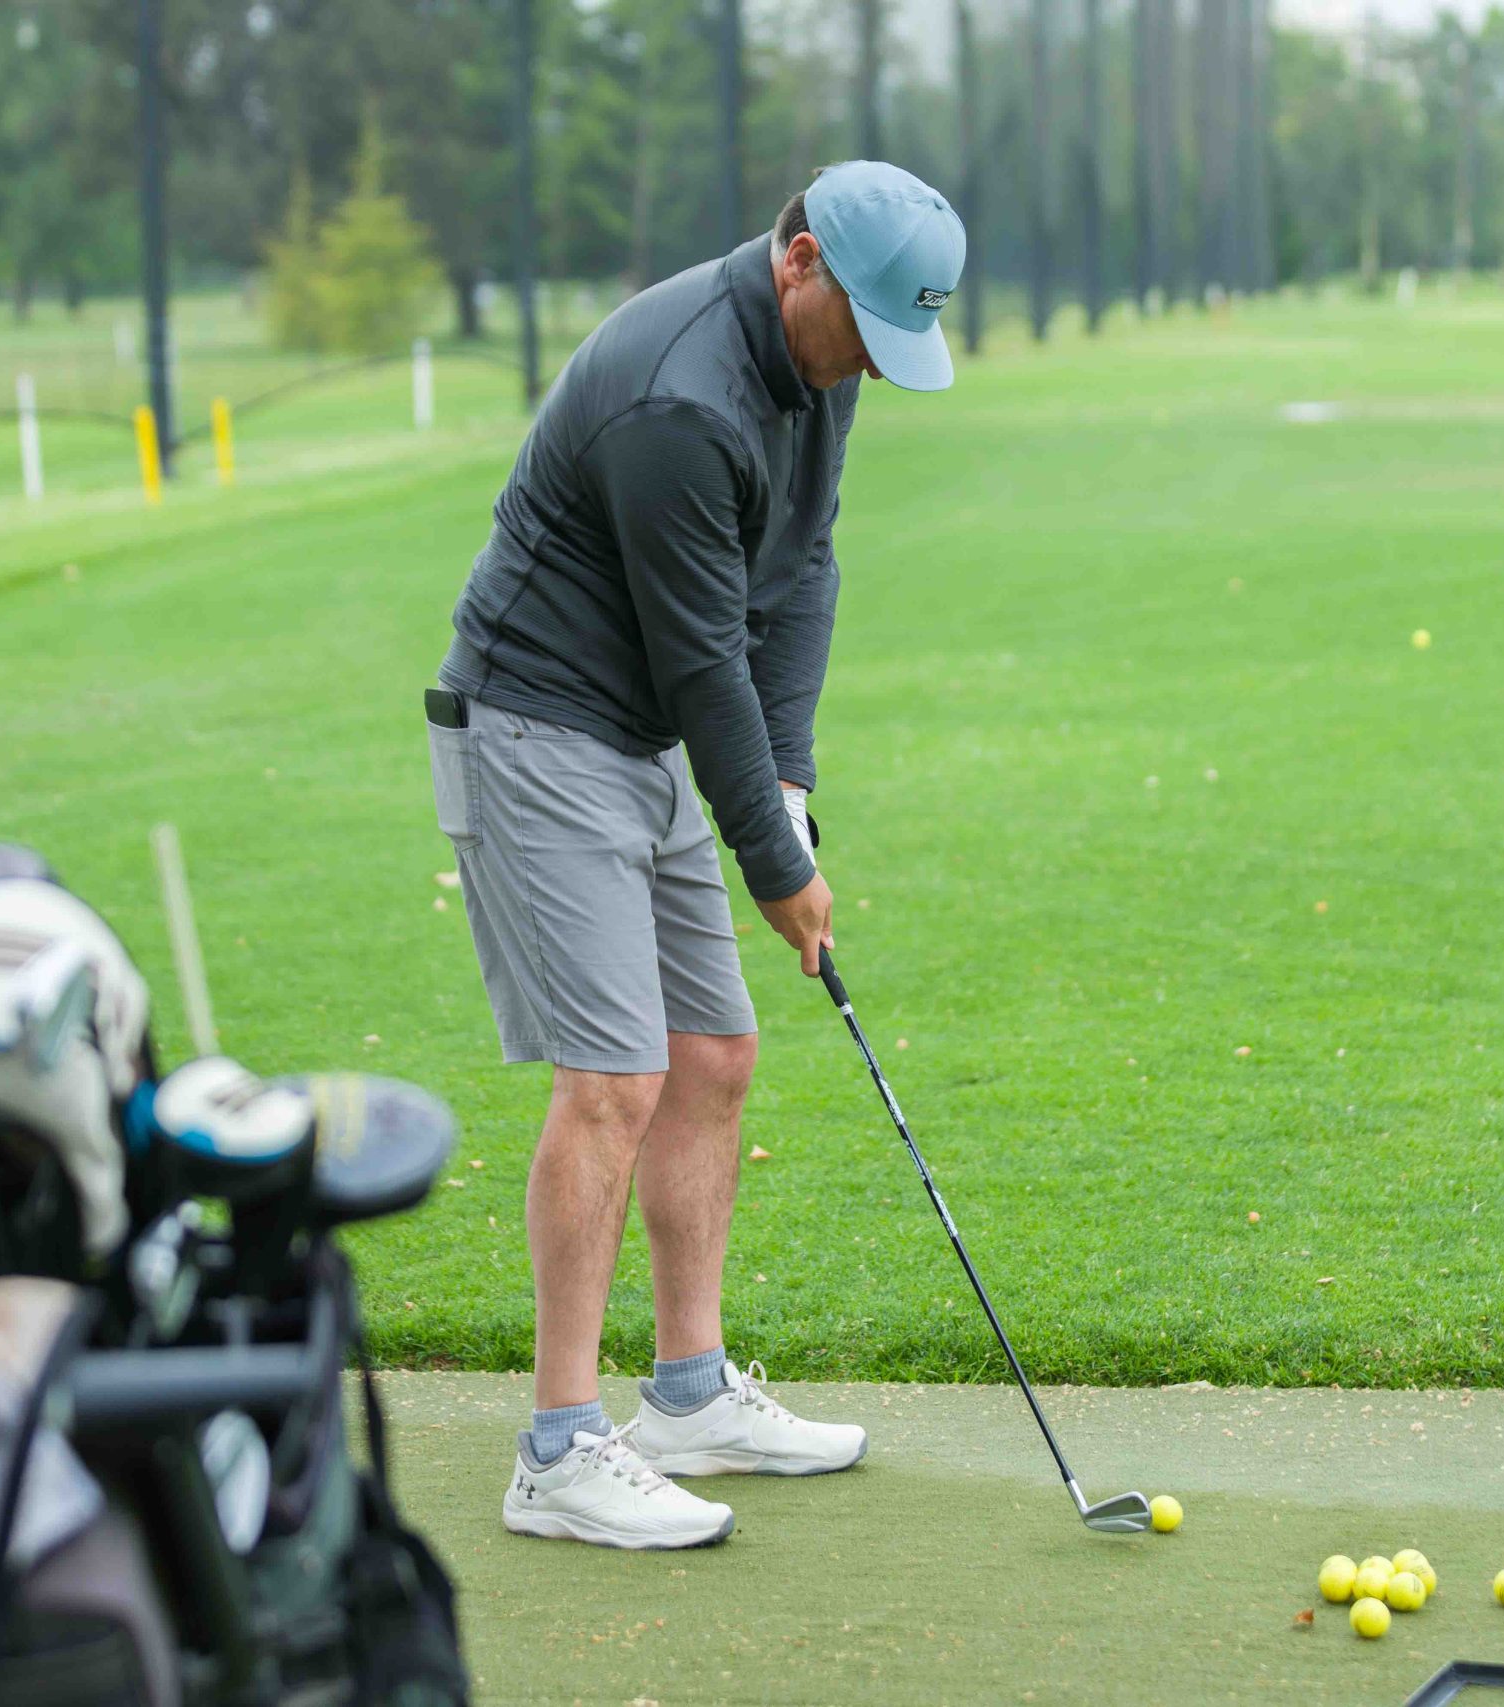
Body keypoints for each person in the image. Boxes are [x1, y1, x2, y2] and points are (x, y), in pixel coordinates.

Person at [426, 161, 966, 1549]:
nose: (870, 366)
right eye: (864, 332)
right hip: (540, 725)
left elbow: (805, 566)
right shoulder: (682, 397)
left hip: (645, 731)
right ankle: (557, 1450)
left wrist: (789, 781)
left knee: (714, 1055)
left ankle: (687, 1395)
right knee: (614, 1078)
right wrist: (780, 868)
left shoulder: (815, 366)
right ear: (799, 259)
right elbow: (703, 657)